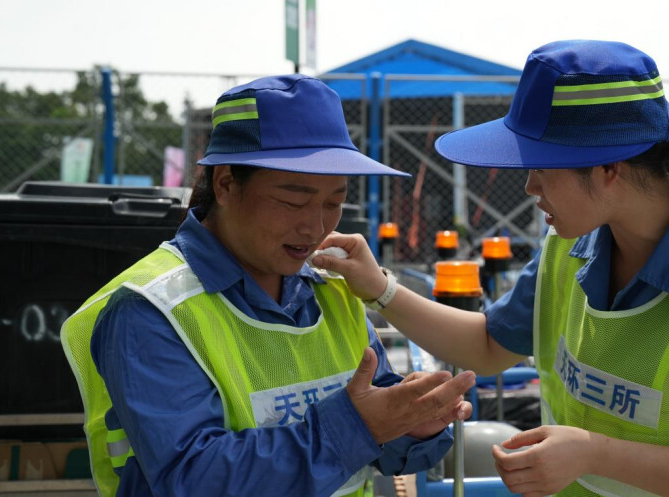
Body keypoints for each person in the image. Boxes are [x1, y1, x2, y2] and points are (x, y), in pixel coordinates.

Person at [313, 40, 669, 497]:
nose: (529, 188)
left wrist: (594, 454)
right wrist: (379, 287)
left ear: (609, 167)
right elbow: (489, 347)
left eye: (540, 168)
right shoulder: (572, 248)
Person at [60, 75, 475, 497]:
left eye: (334, 202)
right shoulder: (152, 311)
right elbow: (193, 479)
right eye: (293, 201)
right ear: (224, 184)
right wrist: (358, 426)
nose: (315, 226)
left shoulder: (332, 290)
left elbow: (377, 427)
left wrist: (414, 425)